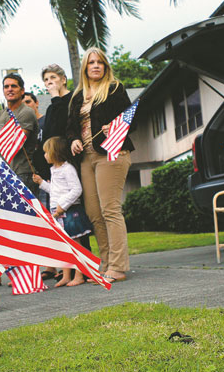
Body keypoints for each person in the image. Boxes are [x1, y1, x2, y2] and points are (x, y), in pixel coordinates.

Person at [66, 47, 134, 284]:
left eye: (100, 62)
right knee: (94, 213)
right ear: (85, 67)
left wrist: (115, 126)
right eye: (91, 62)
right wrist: (74, 139)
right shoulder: (77, 96)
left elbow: (131, 118)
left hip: (112, 153)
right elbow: (71, 127)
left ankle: (118, 265)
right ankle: (106, 264)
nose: (95, 66)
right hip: (87, 157)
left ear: (105, 66)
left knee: (110, 209)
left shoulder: (114, 89)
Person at [32, 136, 92, 287]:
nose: (44, 155)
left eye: (47, 152)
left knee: (75, 243)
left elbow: (76, 189)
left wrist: (62, 206)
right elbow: (55, 190)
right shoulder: (54, 170)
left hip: (69, 211)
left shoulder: (68, 169)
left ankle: (79, 275)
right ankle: (66, 275)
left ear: (56, 153)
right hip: (58, 212)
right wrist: (41, 183)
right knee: (64, 244)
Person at [36, 64, 74, 281]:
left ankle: (80, 267)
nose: (49, 82)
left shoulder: (70, 100)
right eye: (46, 80)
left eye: (53, 78)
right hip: (54, 169)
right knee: (61, 224)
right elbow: (49, 135)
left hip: (70, 163)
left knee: (75, 220)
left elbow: (62, 128)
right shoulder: (52, 107)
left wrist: (57, 97)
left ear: (63, 79)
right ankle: (65, 268)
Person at [0, 73, 39, 195]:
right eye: (6, 87)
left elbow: (15, 143)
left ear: (22, 91)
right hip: (2, 173)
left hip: (23, 173)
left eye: (14, 86)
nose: (10, 89)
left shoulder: (27, 112)